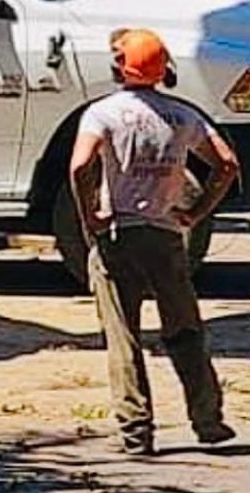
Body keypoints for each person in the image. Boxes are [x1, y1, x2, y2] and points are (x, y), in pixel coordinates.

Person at [68, 26, 240, 456]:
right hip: (166, 239)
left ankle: (136, 432)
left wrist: (89, 214)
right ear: (165, 72)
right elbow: (228, 164)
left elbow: (80, 166)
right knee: (185, 332)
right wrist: (197, 213)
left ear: (117, 68)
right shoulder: (184, 117)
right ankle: (208, 419)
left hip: (118, 236)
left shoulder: (102, 114)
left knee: (123, 337)